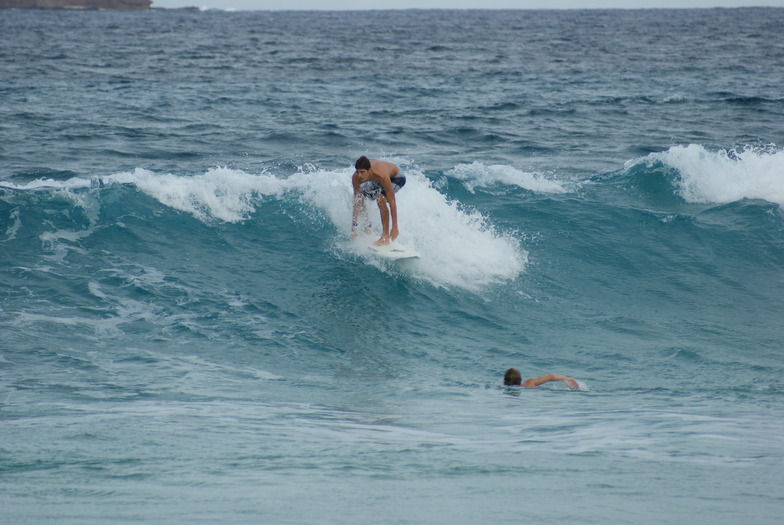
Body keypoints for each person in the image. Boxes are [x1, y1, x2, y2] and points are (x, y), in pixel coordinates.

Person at [351, 156, 406, 246]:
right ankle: (367, 226)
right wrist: (354, 227)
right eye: (357, 172)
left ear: (369, 170)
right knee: (360, 196)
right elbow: (357, 201)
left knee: (381, 199)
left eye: (362, 172)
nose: (359, 175)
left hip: (396, 177)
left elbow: (392, 201)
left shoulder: (381, 175)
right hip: (377, 181)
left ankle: (385, 236)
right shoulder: (356, 178)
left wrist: (395, 227)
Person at [503, 368, 579, 389]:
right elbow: (551, 376)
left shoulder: (502, 387)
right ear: (520, 379)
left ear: (505, 380)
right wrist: (568, 379)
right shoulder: (529, 383)